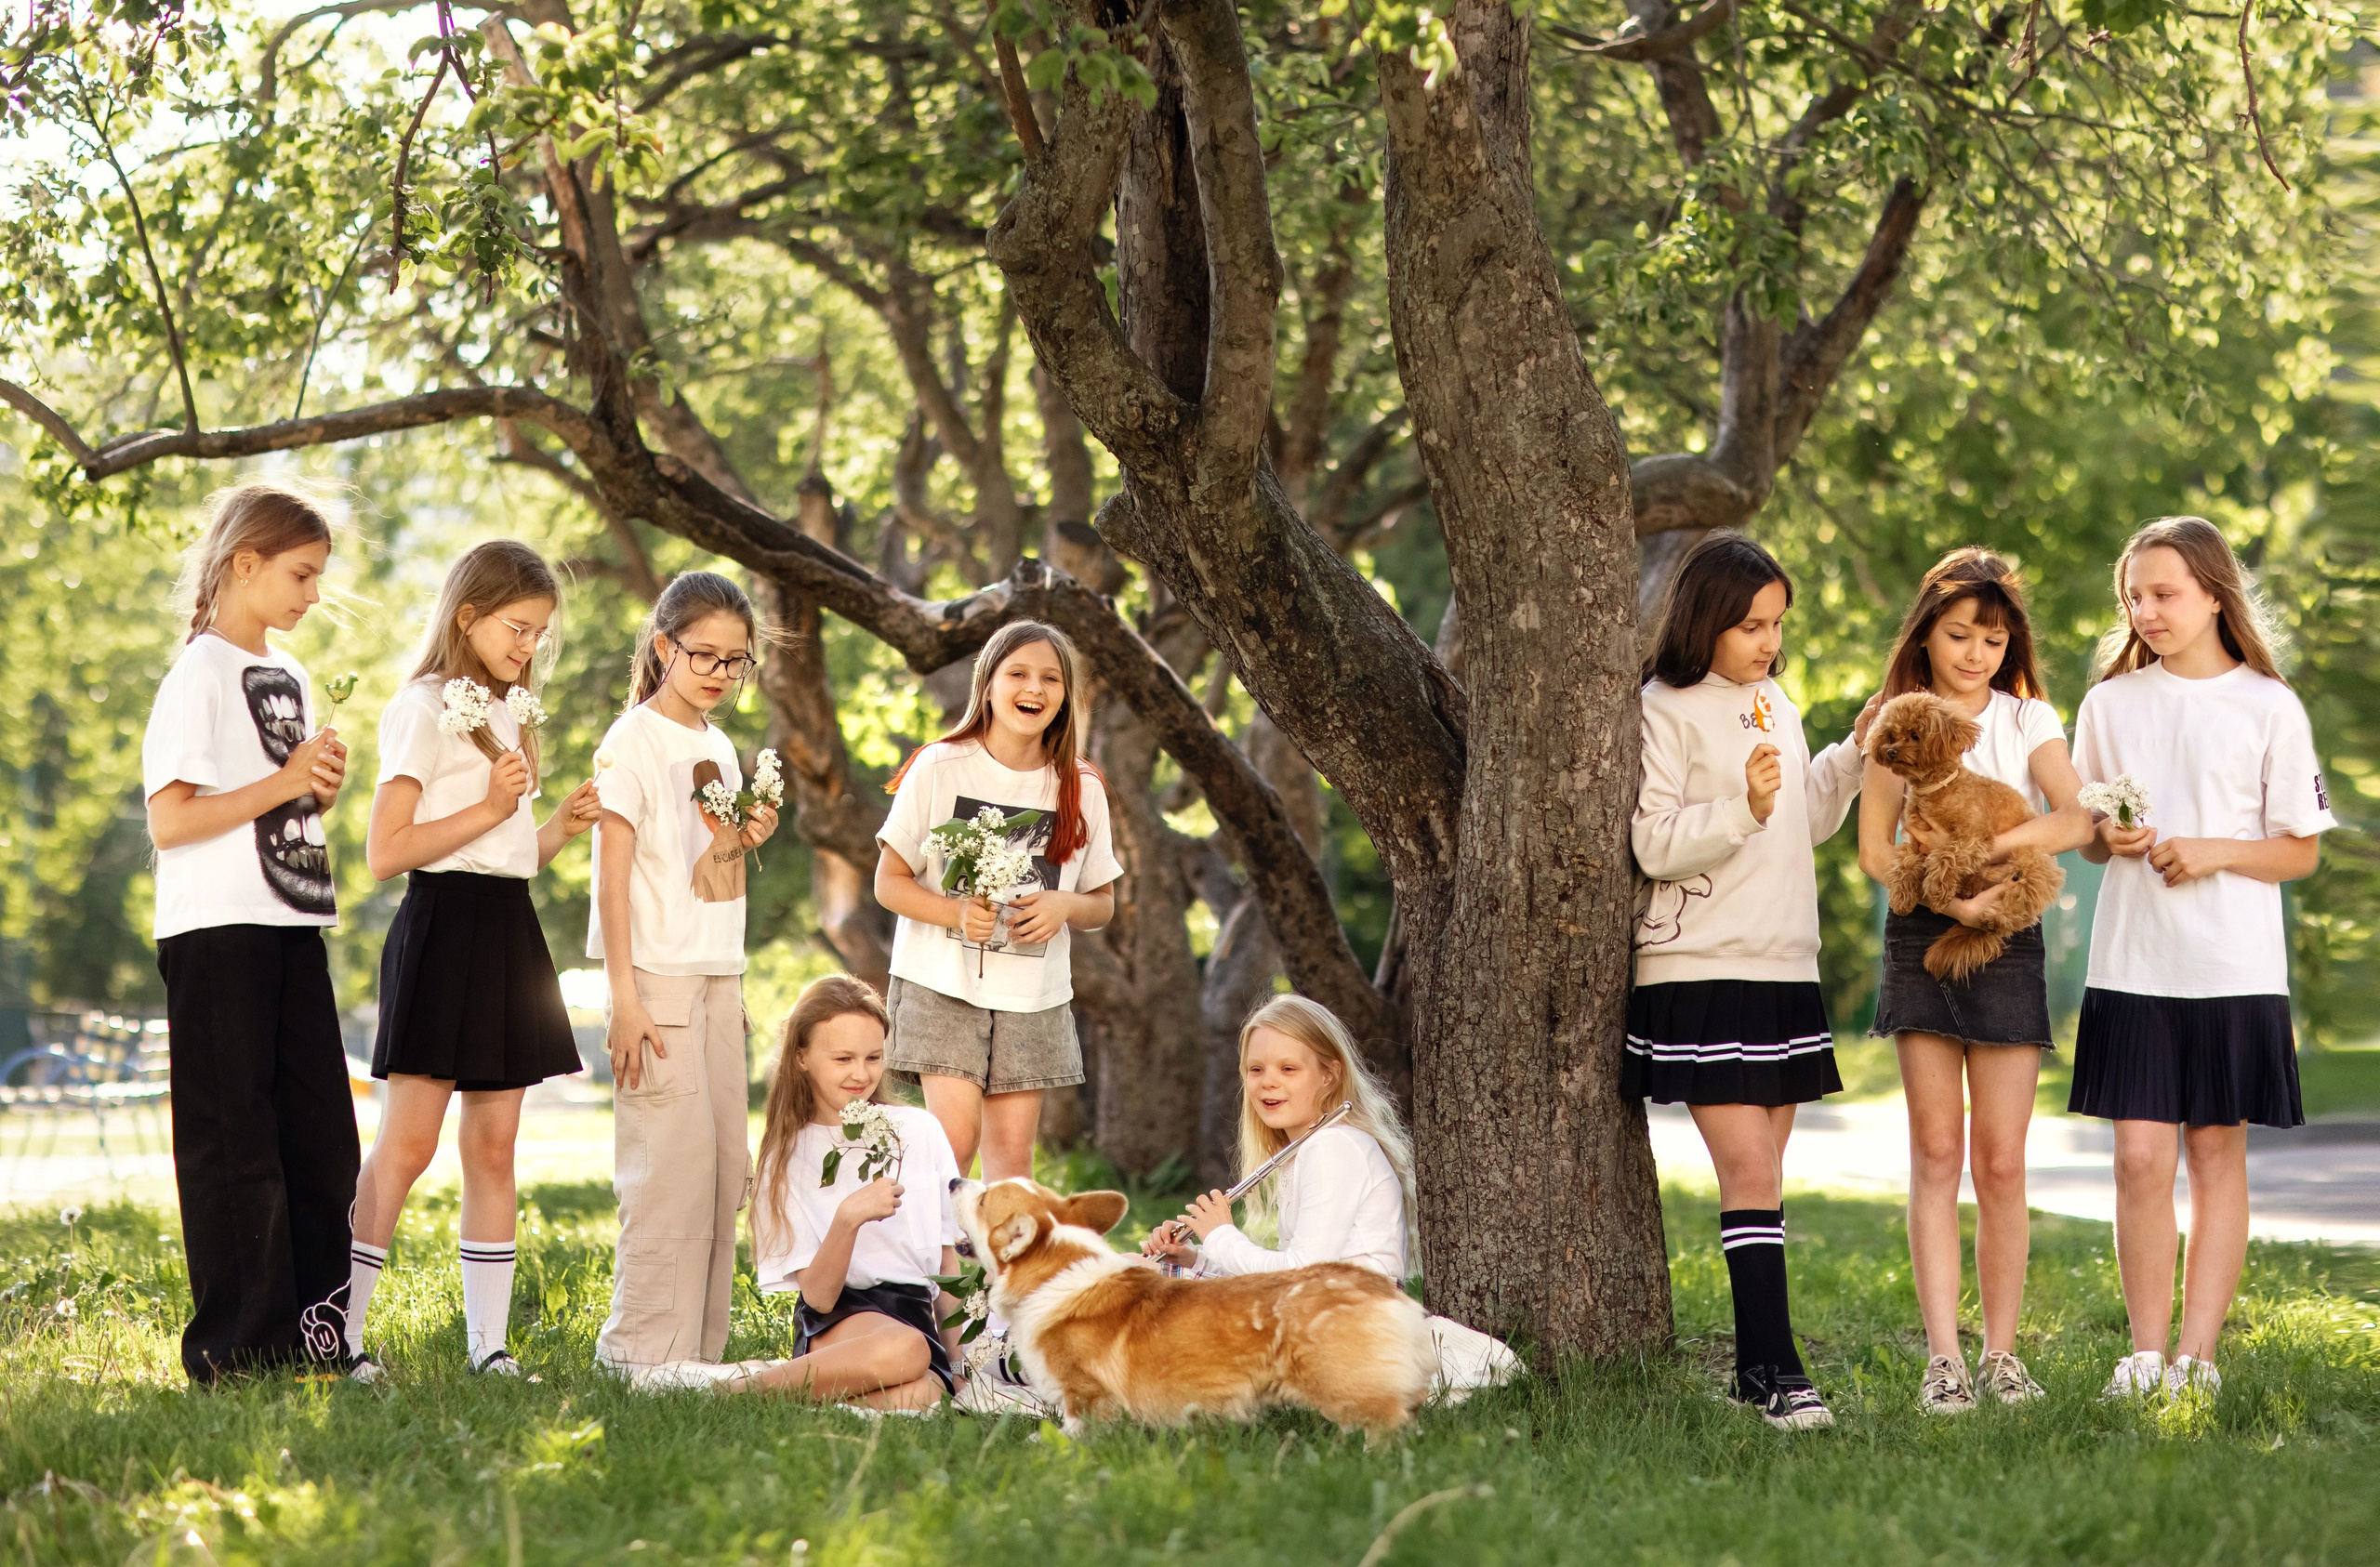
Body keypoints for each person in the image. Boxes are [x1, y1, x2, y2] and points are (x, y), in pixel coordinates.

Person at [2072, 517, 2333, 1402]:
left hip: (2233, 969)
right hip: (2132, 965)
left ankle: (2198, 1363)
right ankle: (2143, 1359)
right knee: (2140, 1160)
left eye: (2163, 594)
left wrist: (2215, 851)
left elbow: (2299, 851)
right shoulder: (2109, 705)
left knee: (2217, 1154)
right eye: (2133, 598)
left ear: (2215, 593)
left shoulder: (2270, 705)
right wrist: (2113, 836)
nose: (2145, 611)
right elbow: (2090, 837)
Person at [1625, 533, 1870, 1431]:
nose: (1767, 642)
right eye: (1749, 625)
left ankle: (1759, 1371)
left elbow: (1800, 822)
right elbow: (1651, 842)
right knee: (1751, 1166)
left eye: (1775, 624)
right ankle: (1775, 1369)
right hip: (1701, 965)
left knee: (1765, 1176)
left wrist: (1851, 755)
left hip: (1782, 961)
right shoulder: (1664, 706)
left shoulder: (1775, 700)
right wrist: (1742, 808)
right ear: (1704, 620)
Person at [346, 542, 601, 1380]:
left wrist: (556, 822)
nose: (528, 647)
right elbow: (387, 851)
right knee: (408, 1145)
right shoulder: (421, 707)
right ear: (467, 616)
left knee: (495, 1148)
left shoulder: (511, 711)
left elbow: (513, 855)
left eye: (539, 634)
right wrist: (494, 803)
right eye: (516, 628)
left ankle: (488, 1347)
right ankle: (341, 1335)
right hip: (441, 926)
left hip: (508, 929)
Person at [1856, 548, 2096, 1414]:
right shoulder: (1897, 721)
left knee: (2000, 1160)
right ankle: (1944, 1361)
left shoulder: (2028, 718)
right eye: (1959, 635)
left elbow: (2073, 817)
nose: (1975, 654)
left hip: (2007, 934)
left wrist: (1990, 867)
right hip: (1924, 927)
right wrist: (1946, 902)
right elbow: (1876, 848)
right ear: (1925, 632)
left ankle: (2002, 1355)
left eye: (1992, 640)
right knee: (1935, 1152)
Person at [141, 481, 357, 1385]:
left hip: (289, 920)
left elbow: (274, 792)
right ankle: (237, 1351)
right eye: (300, 574)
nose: (312, 593)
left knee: (321, 1135)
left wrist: (316, 789)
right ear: (244, 563)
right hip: (215, 930)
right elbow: (173, 821)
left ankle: (314, 1340)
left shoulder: (289, 673)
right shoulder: (197, 673)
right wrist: (284, 784)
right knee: (236, 1140)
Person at [588, 572, 780, 1377]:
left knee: (721, 1171)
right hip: (657, 982)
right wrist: (623, 996)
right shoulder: (632, 741)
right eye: (703, 654)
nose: (719, 673)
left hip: (716, 981)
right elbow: (612, 876)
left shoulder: (720, 746)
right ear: (663, 646)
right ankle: (639, 1356)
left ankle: (697, 1355)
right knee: (667, 1173)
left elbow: (712, 868)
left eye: (735, 662)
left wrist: (750, 833)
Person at [1140, 994, 1519, 1400]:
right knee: (1145, 1275)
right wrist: (1194, 1259)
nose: (1268, 1081)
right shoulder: (1306, 1151)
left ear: (1329, 1075)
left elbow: (1301, 1273)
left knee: (1140, 1289)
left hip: (1353, 1328)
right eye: (1256, 1069)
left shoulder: (1333, 1146)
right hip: (1323, 1314)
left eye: (1288, 1068)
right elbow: (1287, 1284)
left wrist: (1220, 1236)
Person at [641, 976, 967, 1407]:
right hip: (841, 1317)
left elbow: (947, 1262)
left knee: (924, 1395)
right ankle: (727, 1393)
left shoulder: (918, 1130)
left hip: (916, 1319)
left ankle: (795, 1390)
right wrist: (849, 1217)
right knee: (905, 1351)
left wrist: (963, 1370)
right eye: (843, 1058)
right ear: (802, 1057)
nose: (861, 1074)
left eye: (873, 1057)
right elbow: (819, 1295)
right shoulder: (788, 1154)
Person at [873, 620, 1121, 1182]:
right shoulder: (939, 766)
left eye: (1050, 679)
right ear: (987, 683)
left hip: (1032, 996)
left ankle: (996, 1274)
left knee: (1012, 1164)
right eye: (1018, 674)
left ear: (1066, 697)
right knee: (954, 1148)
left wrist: (1064, 906)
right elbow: (889, 883)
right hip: (942, 983)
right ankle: (932, 1270)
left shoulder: (1083, 788)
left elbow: (1101, 903)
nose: (1033, 688)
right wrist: (958, 913)